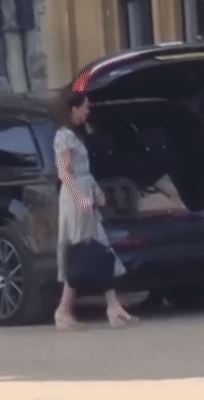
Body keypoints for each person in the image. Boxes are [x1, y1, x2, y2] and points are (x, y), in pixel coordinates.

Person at [53, 86, 138, 331]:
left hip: (85, 194)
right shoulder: (64, 136)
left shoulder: (76, 135)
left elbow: (83, 171)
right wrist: (81, 196)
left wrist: (96, 191)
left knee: (100, 247)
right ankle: (64, 311)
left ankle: (113, 307)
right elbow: (64, 173)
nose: (88, 111)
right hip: (75, 199)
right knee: (81, 250)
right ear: (73, 109)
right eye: (85, 107)